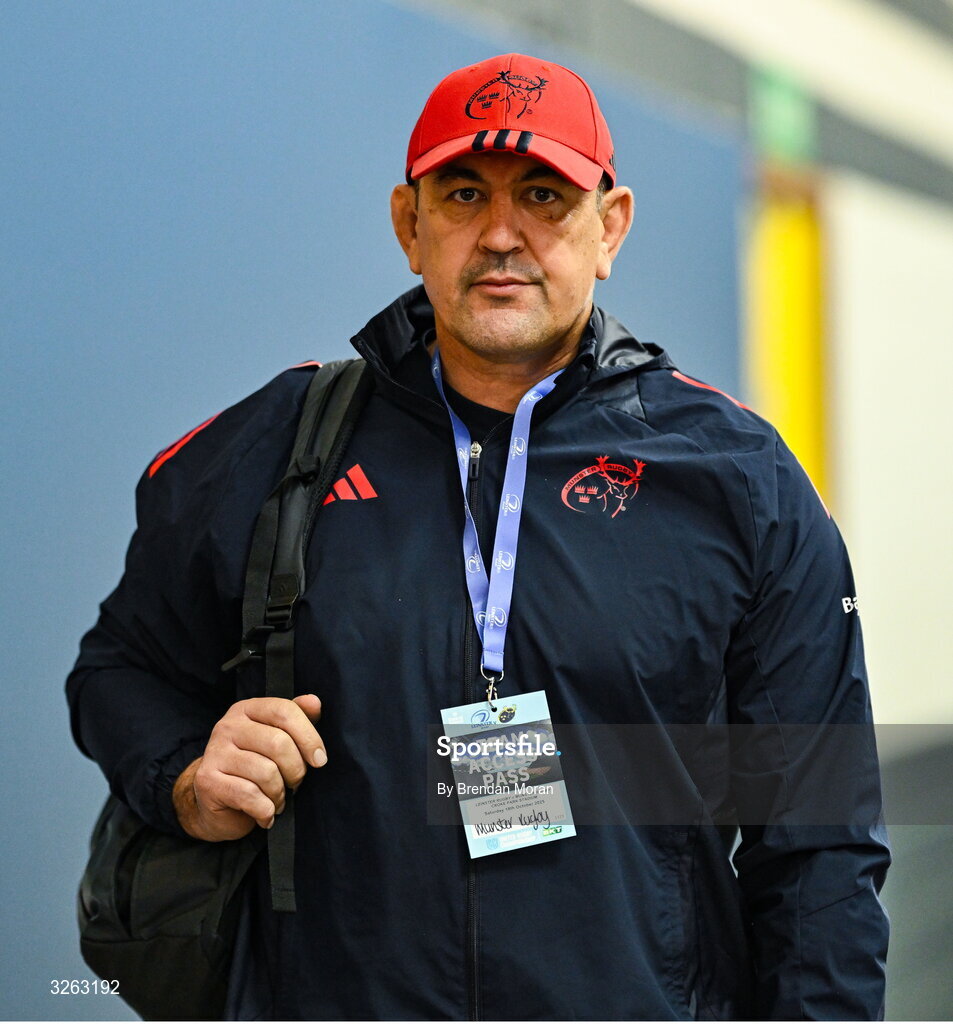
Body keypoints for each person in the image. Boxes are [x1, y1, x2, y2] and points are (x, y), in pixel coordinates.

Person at [67, 53, 890, 1020]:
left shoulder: (737, 478)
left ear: (609, 225)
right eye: (463, 194)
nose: (501, 234)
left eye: (544, 196)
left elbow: (820, 838)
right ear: (410, 226)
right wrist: (186, 779)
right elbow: (116, 668)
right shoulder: (278, 447)